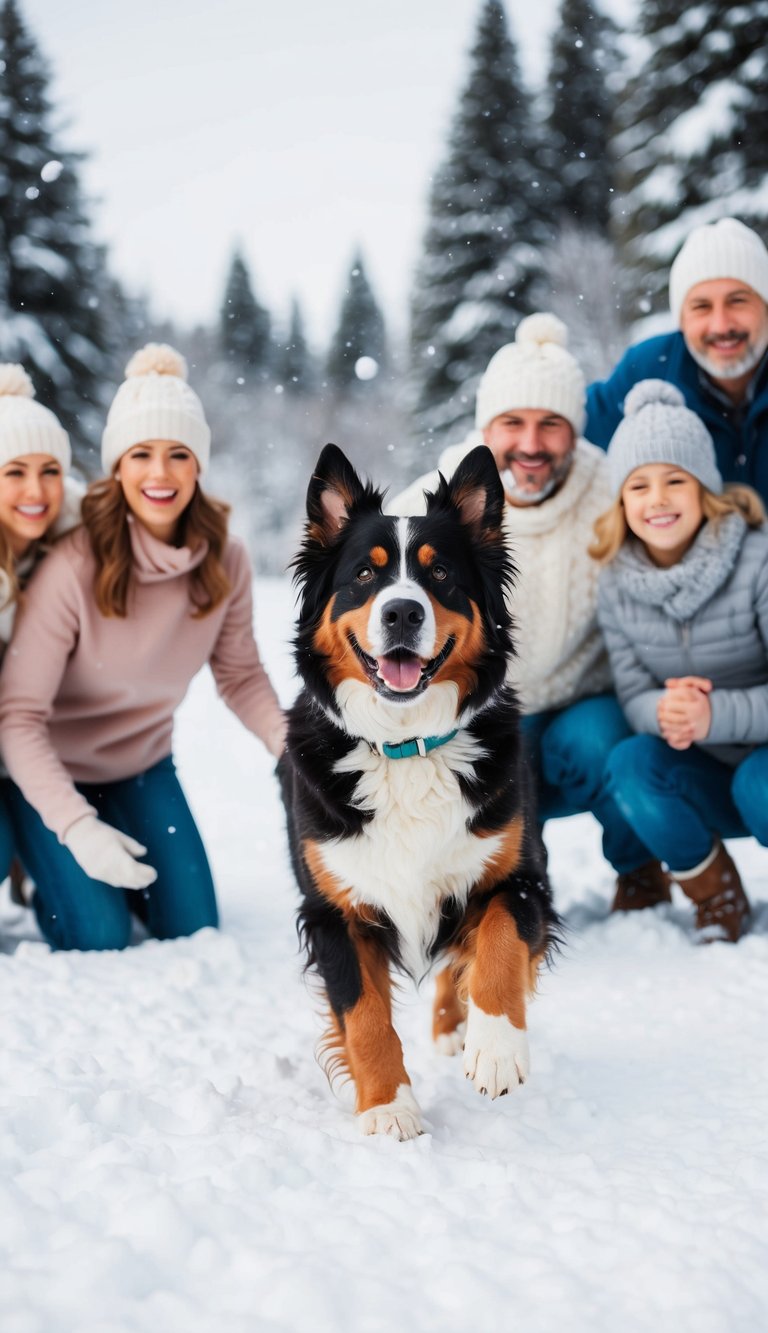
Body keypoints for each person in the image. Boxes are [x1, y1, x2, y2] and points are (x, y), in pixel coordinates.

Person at [0, 343, 286, 951]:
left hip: (142, 765)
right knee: (97, 935)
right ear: (117, 468)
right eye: (141, 456)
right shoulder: (74, 564)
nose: (160, 474)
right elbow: (19, 718)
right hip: (53, 772)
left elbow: (239, 676)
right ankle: (44, 856)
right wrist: (77, 827)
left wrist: (292, 746)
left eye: (178, 455)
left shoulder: (226, 560)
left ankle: (93, 858)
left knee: (193, 925)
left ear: (199, 465)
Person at [392, 313, 661, 908]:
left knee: (607, 739)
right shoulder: (430, 505)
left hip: (576, 710)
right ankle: (491, 885)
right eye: (512, 423)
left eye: (551, 425)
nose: (532, 445)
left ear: (575, 430)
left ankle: (640, 866)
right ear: (487, 426)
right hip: (473, 714)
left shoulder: (614, 492)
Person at [592, 379, 766, 942]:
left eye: (675, 480)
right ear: (622, 501)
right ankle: (716, 894)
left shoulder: (757, 560)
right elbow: (633, 690)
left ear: (705, 488)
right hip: (700, 766)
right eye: (638, 485)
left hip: (763, 763)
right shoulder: (616, 582)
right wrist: (665, 710)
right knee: (631, 764)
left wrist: (716, 714)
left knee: (757, 787)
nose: (657, 499)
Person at [586, 217, 768, 503]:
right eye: (701, 306)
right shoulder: (649, 369)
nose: (721, 325)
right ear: (681, 318)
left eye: (738, 301)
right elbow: (570, 424)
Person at [0, 363, 82, 900]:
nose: (36, 490)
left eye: (49, 470)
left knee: (96, 928)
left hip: (45, 758)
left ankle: (32, 859)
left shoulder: (75, 546)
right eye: (14, 472)